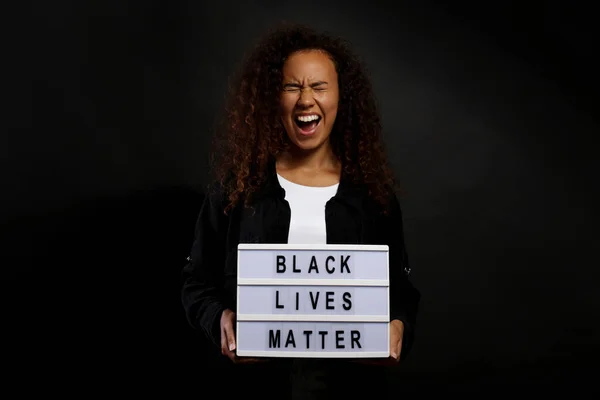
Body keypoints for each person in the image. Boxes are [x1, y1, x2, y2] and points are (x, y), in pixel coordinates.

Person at [181, 23, 420, 399]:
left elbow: (401, 291)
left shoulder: (374, 197)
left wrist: (398, 325)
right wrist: (220, 320)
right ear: (273, 98)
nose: (306, 99)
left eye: (319, 86)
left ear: (342, 97)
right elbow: (196, 284)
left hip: (347, 389)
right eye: (292, 87)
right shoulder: (237, 190)